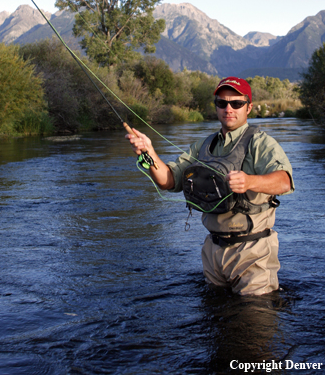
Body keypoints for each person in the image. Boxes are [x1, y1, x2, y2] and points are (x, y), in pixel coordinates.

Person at [126, 76, 294, 296]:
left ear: (249, 107)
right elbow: (168, 181)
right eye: (222, 103)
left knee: (254, 322)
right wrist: (148, 153)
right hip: (212, 252)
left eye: (237, 103)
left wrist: (249, 181)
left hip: (252, 251)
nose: (228, 108)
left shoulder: (260, 142)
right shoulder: (203, 145)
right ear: (216, 106)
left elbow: (285, 181)